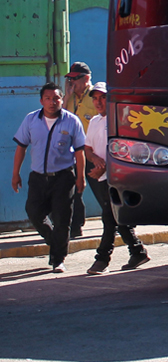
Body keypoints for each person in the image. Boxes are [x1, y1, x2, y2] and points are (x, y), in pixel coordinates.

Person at [12, 82, 86, 273]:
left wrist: (80, 177)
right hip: (38, 177)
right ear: (41, 101)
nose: (52, 102)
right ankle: (54, 240)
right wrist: (15, 173)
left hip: (63, 178)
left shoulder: (71, 121)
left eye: (56, 98)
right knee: (33, 212)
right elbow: (21, 147)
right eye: (48, 98)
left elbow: (80, 152)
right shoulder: (31, 119)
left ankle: (58, 259)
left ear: (61, 99)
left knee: (62, 219)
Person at [84, 82, 150, 274]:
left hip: (118, 176)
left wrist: (104, 166)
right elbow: (88, 148)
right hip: (102, 177)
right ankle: (137, 251)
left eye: (102, 98)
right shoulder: (94, 121)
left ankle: (102, 259)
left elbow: (124, 148)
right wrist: (96, 161)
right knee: (116, 216)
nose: (98, 102)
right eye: (95, 99)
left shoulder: (120, 120)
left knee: (109, 217)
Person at [63, 61, 98, 238]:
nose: (72, 82)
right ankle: (75, 226)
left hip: (93, 151)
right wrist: (67, 96)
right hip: (74, 151)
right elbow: (60, 117)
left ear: (86, 78)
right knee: (75, 188)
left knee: (100, 187)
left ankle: (117, 222)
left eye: (75, 79)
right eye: (70, 79)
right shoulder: (70, 97)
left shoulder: (95, 97)